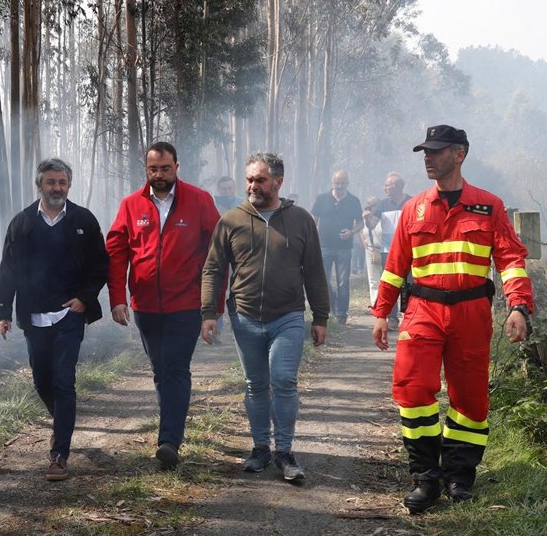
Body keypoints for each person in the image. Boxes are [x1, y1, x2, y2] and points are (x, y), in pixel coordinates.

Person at [371, 125, 533, 512]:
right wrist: (381, 312)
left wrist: (518, 306)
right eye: (425, 152)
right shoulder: (414, 208)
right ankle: (426, 478)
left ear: (459, 154)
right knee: (412, 391)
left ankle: (460, 476)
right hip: (422, 310)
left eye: (437, 151)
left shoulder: (489, 206)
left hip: (471, 313)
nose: (428, 158)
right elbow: (395, 266)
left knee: (470, 399)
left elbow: (510, 260)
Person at [200, 152, 330, 483]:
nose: (252, 186)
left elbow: (315, 271)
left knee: (283, 380)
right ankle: (260, 448)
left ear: (278, 182)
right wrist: (209, 313)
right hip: (244, 316)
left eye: (260, 179)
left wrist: (321, 316)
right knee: (256, 384)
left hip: (288, 315)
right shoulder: (231, 220)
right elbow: (213, 269)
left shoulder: (301, 220)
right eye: (249, 180)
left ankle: (284, 451)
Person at [107, 142, 222, 470]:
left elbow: (218, 254)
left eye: (165, 169)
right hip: (145, 306)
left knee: (175, 367)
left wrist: (213, 306)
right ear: (146, 169)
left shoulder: (199, 200)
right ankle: (170, 426)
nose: (159, 175)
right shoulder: (131, 205)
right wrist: (117, 298)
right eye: (153, 169)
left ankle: (169, 440)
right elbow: (116, 252)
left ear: (177, 167)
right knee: (160, 370)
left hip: (186, 304)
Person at [0, 157, 109, 481]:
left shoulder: (84, 220)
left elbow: (100, 265)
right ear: (39, 185)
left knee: (63, 381)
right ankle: (63, 422)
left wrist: (84, 299)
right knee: (42, 381)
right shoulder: (21, 223)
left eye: (62, 182)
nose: (57, 188)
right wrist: (2, 311)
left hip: (69, 315)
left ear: (69, 185)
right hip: (33, 317)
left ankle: (59, 454)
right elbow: (8, 270)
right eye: (51, 182)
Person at [310, 170, 363, 325]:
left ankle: (342, 314)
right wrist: (312, 239)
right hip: (324, 247)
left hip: (344, 248)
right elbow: (313, 220)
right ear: (332, 182)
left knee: (343, 282)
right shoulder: (322, 199)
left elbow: (361, 223)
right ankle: (331, 307)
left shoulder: (354, 201)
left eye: (342, 183)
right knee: (324, 281)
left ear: (347, 183)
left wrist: (351, 232)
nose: (339, 186)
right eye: (337, 183)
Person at [364, 172, 412, 328]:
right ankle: (392, 318)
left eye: (387, 186)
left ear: (397, 187)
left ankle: (408, 315)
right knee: (391, 283)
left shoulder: (411, 203)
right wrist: (367, 219)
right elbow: (372, 225)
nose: (384, 189)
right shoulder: (382, 205)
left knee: (408, 284)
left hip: (409, 250)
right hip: (388, 251)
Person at [361, 195, 384, 305]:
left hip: (385, 250)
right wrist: (363, 241)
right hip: (370, 250)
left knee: (387, 279)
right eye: (368, 206)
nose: (369, 208)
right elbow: (361, 230)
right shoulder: (365, 217)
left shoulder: (383, 217)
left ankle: (391, 304)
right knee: (373, 280)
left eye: (372, 206)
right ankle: (375, 304)